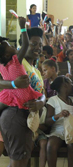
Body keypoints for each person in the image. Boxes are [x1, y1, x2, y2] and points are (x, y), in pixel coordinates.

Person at [0, 27, 46, 167]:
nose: (38, 48)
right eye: (33, 44)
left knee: (20, 161)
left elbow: (42, 93)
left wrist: (41, 103)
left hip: (26, 118)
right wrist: (13, 83)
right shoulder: (14, 63)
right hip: (14, 114)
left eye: (40, 45)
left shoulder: (36, 71)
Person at [45, 76, 73, 167]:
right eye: (71, 83)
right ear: (65, 85)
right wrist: (58, 115)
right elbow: (47, 121)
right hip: (57, 130)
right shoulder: (53, 100)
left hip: (71, 130)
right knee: (51, 146)